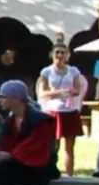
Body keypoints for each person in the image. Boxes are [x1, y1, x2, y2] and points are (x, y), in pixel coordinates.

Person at [0, 80, 58, 185]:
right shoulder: (10, 121)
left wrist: (10, 155)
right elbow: (5, 143)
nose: (0, 100)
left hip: (36, 166)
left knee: (7, 169)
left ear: (16, 98)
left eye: (3, 97)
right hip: (15, 160)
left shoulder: (40, 120)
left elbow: (35, 146)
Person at [37, 36, 87, 176]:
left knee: (69, 148)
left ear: (68, 55)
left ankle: (69, 176)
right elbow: (42, 92)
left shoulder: (74, 71)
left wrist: (72, 92)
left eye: (63, 52)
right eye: (57, 52)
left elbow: (78, 89)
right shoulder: (46, 72)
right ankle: (48, 173)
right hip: (53, 112)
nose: (60, 55)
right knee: (52, 147)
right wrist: (59, 93)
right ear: (52, 55)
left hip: (70, 112)